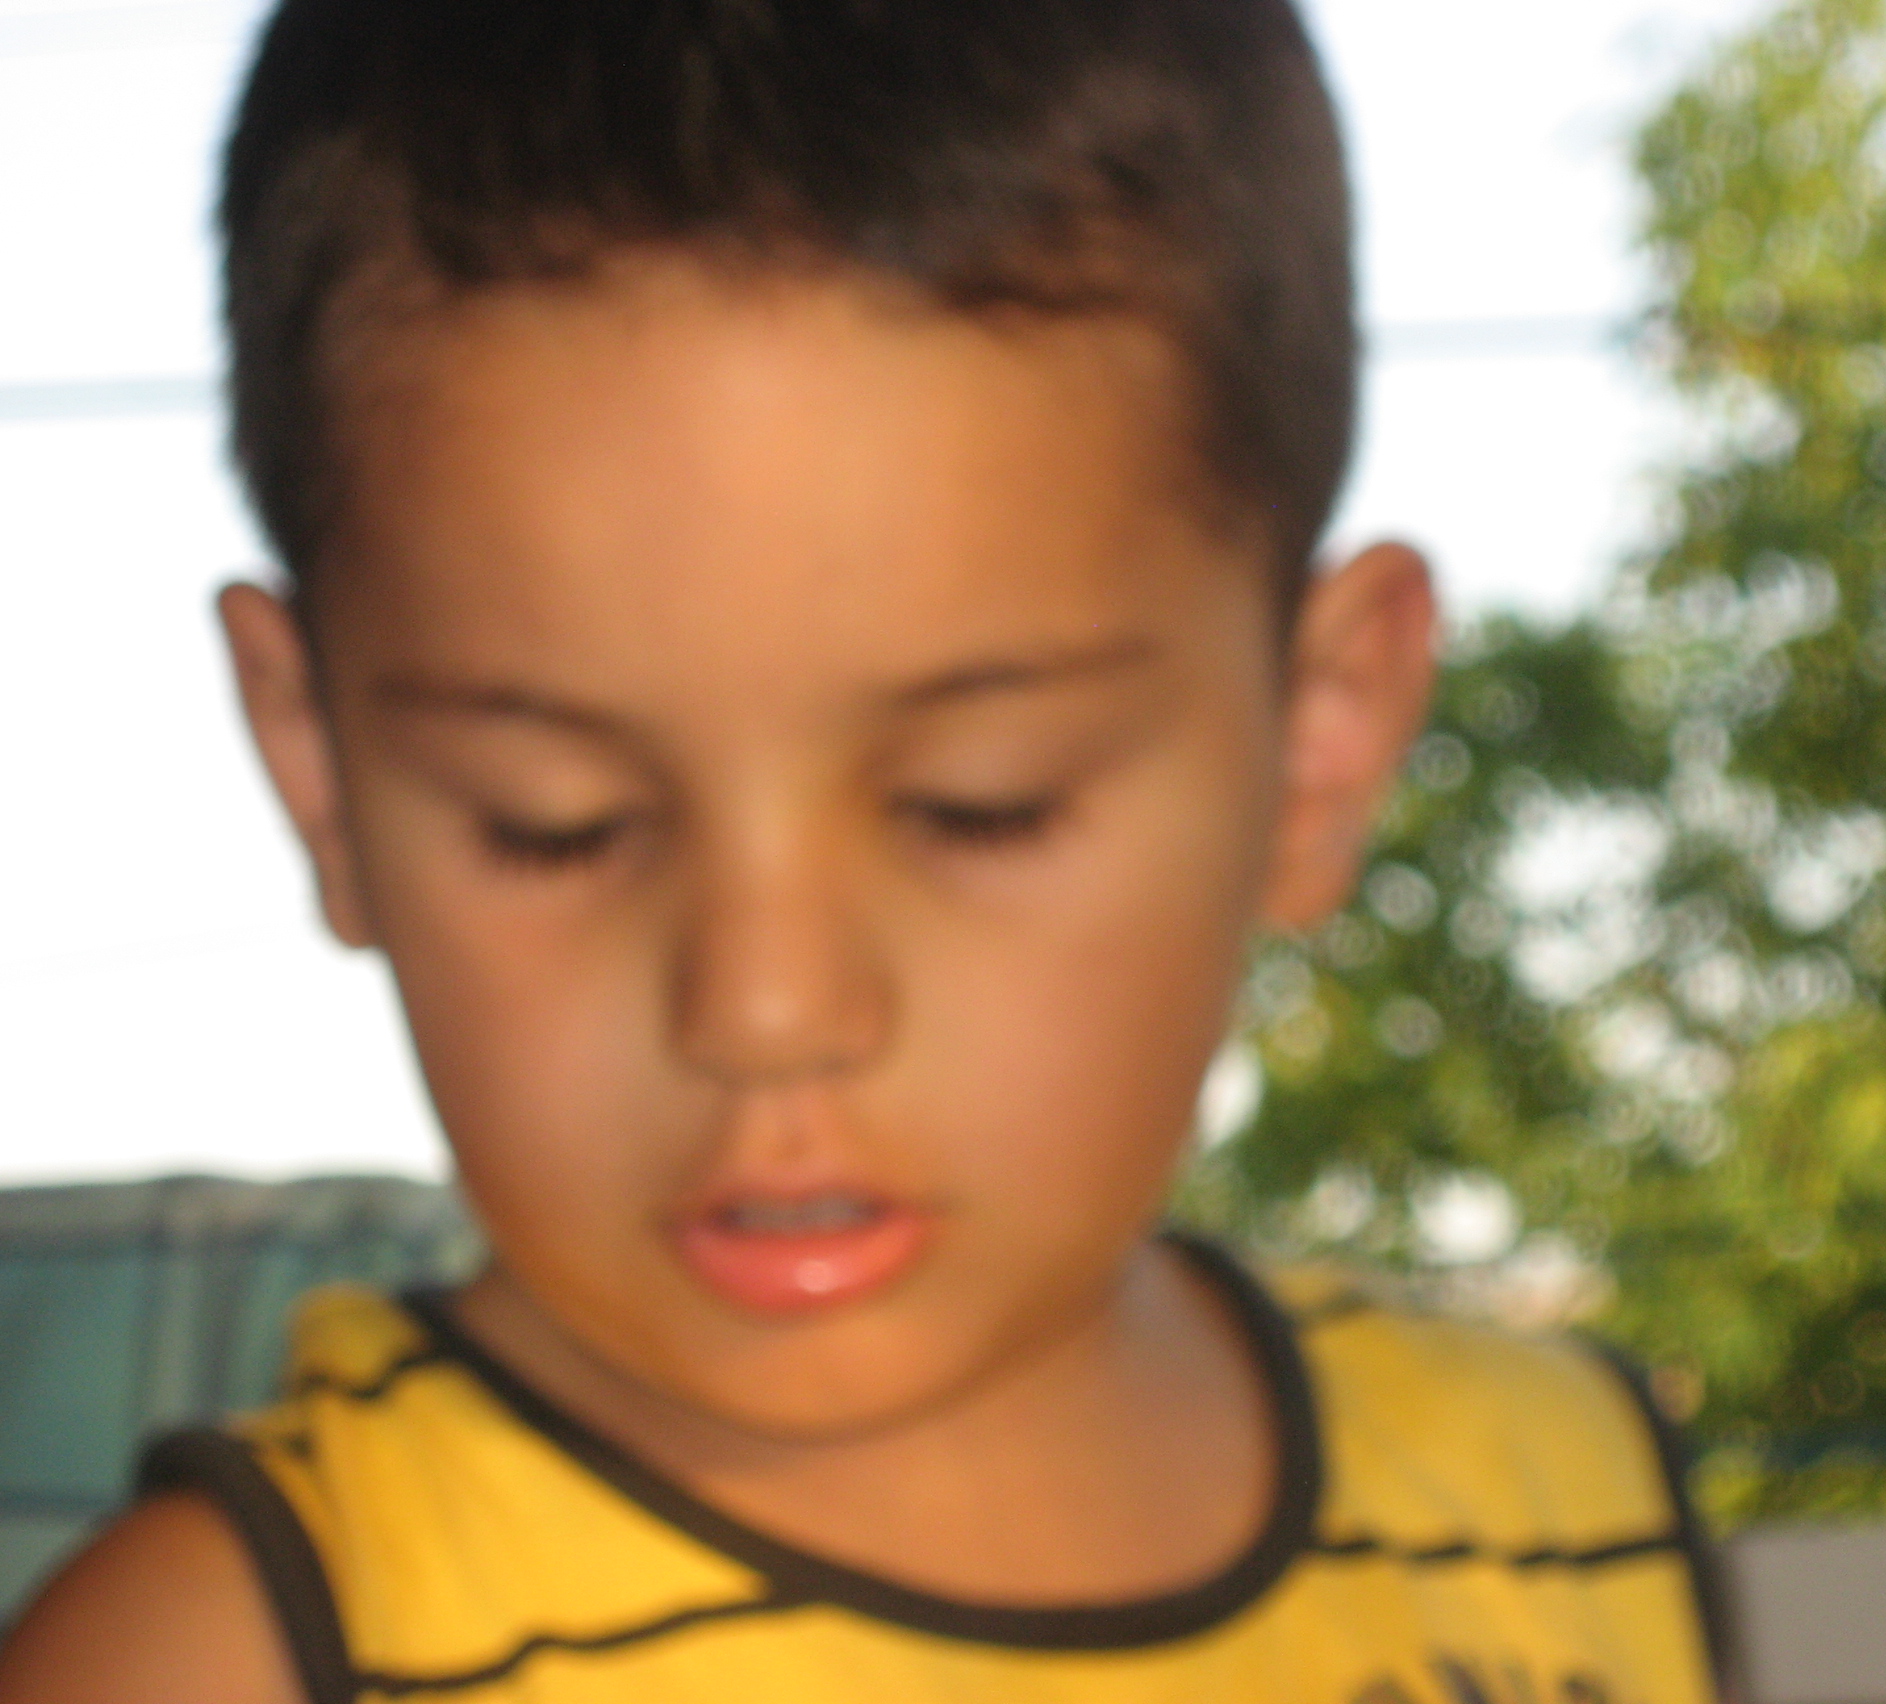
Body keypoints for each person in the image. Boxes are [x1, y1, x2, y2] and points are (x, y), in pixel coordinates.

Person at [0, 2, 1730, 1700]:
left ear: (1318, 741)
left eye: (984, 803)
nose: (766, 1009)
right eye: (556, 825)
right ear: (319, 770)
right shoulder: (220, 1660)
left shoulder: (1566, 1517)